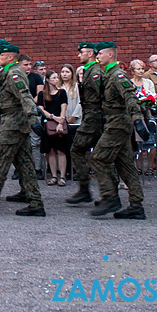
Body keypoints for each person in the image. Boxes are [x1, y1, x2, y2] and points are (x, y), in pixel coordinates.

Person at [0, 42, 45, 217]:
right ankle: (35, 202)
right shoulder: (8, 71)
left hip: (13, 124)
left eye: (1, 55)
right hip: (13, 122)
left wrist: (33, 118)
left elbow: (24, 95)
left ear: (9, 57)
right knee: (25, 164)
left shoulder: (14, 73)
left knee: (0, 162)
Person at [90, 41, 149, 220]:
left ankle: (110, 197)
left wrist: (138, 119)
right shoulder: (108, 74)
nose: (97, 56)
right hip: (114, 122)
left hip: (117, 123)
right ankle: (136, 205)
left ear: (110, 55)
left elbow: (130, 96)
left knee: (98, 158)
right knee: (125, 164)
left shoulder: (118, 75)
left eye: (99, 54)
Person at [67, 43, 107, 205]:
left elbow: (102, 96)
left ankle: (87, 190)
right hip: (91, 117)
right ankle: (105, 194)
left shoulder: (95, 72)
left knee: (77, 150)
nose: (79, 56)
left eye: (82, 53)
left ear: (90, 54)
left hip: (94, 118)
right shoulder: (89, 71)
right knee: (101, 156)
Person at [37, 70, 68, 186]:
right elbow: (41, 109)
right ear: (48, 80)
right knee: (51, 151)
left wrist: (61, 121)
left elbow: (64, 108)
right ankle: (54, 175)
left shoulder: (62, 92)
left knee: (61, 150)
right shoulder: (42, 94)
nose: (56, 80)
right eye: (54, 78)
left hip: (60, 122)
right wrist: (53, 117)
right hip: (48, 123)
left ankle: (63, 176)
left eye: (57, 78)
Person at [129, 59, 157, 173]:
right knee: (135, 143)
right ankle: (138, 166)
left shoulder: (148, 82)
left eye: (142, 69)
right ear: (132, 71)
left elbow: (153, 96)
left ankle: (149, 167)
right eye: (138, 69)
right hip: (133, 117)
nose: (141, 71)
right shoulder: (129, 82)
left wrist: (147, 102)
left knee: (148, 141)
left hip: (146, 114)